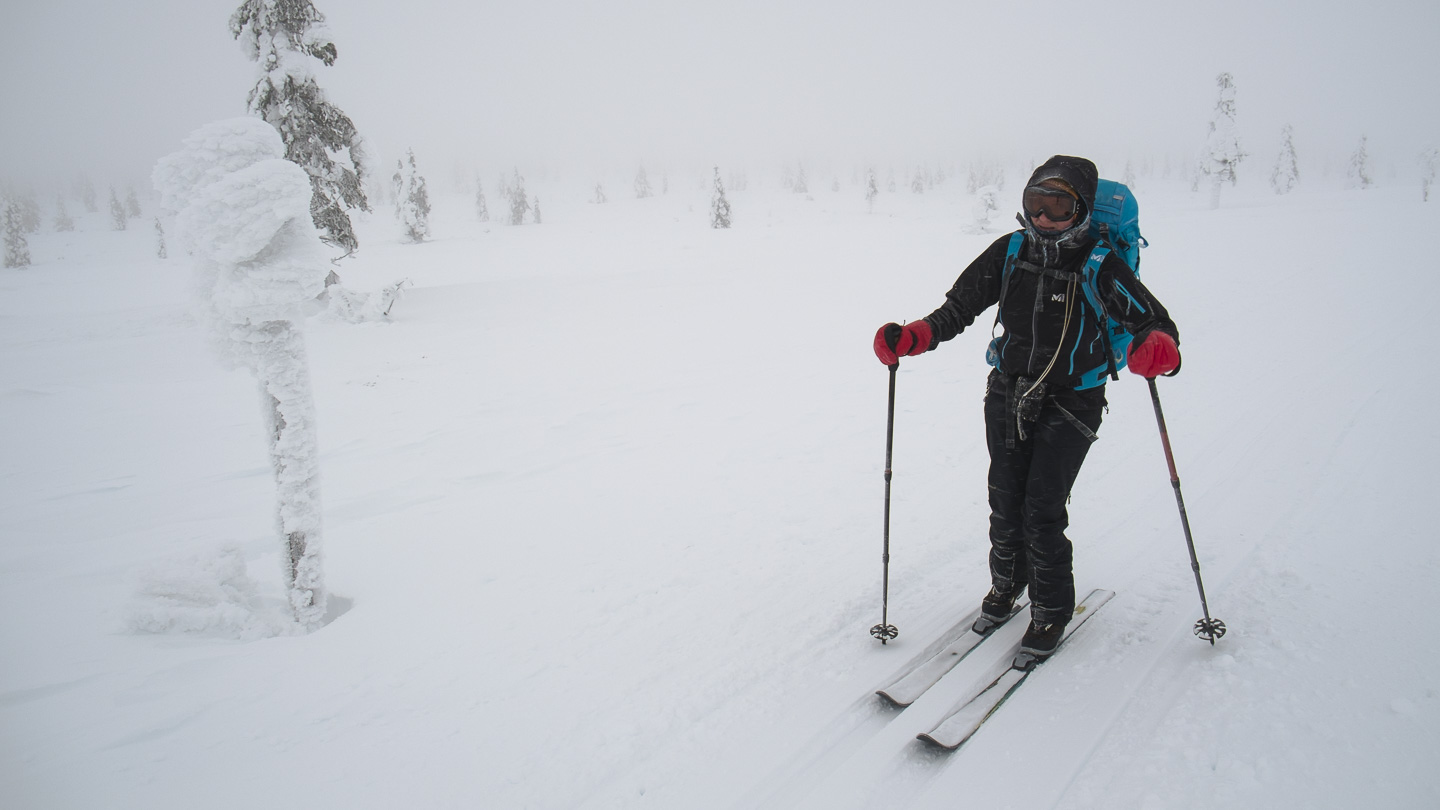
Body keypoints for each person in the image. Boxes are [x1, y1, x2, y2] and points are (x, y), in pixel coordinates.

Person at [872, 155, 1180, 661]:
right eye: (1036, 204)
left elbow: (1153, 320)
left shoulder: (1100, 262)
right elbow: (959, 307)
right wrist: (914, 337)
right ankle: (1007, 585)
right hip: (1008, 392)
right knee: (1004, 499)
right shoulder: (1011, 251)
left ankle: (1052, 610)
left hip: (1074, 399)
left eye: (1059, 207)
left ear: (1080, 210)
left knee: (1041, 510)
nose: (1044, 218)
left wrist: (1158, 346)